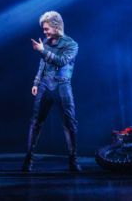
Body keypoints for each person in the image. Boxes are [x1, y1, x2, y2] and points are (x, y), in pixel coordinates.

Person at [22, 10, 81, 172]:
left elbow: (61, 61)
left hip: (63, 86)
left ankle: (73, 160)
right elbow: (42, 64)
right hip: (45, 85)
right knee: (35, 122)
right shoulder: (46, 43)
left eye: (46, 28)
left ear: (56, 27)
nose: (44, 31)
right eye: (43, 29)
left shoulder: (71, 44)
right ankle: (28, 160)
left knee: (69, 123)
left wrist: (42, 50)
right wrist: (36, 82)